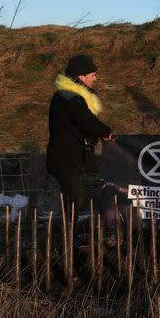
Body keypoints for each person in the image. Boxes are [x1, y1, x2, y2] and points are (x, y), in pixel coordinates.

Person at [47, 55, 112, 210]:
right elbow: (86, 120)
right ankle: (70, 232)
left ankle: (69, 230)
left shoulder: (66, 95)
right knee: (74, 201)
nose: (95, 79)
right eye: (93, 75)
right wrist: (105, 131)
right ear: (81, 76)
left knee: (73, 199)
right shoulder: (71, 98)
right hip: (68, 160)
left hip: (68, 158)